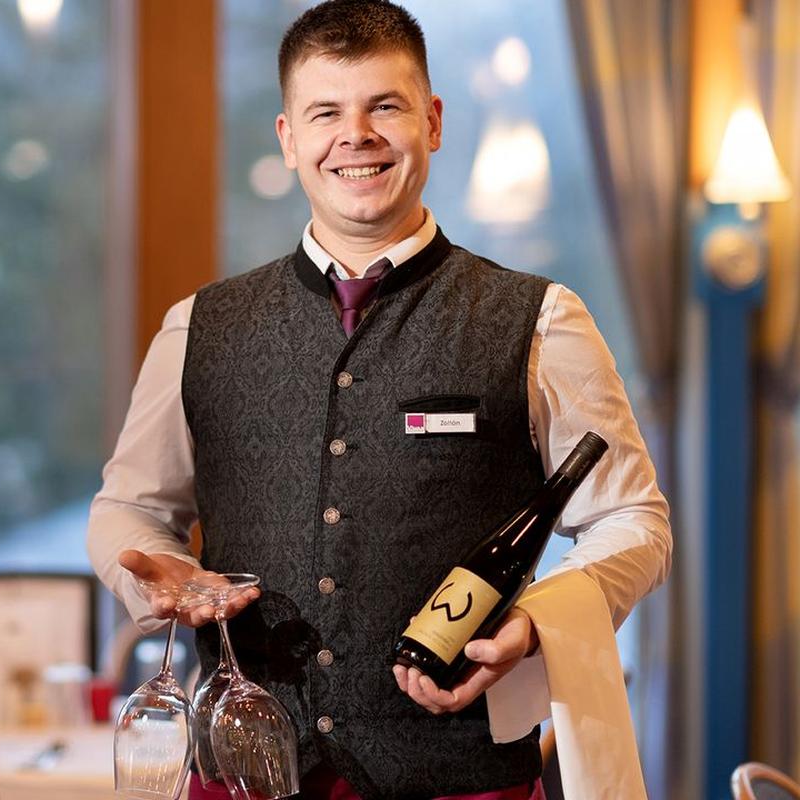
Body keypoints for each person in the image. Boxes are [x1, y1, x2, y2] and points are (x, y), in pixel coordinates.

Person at [88, 1, 671, 798]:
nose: (355, 135)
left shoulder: (541, 320)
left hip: (462, 782)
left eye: (384, 107)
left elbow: (633, 520)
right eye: (325, 112)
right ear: (288, 138)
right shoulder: (200, 327)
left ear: (432, 122)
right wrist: (159, 576)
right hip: (246, 773)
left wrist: (538, 625)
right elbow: (127, 509)